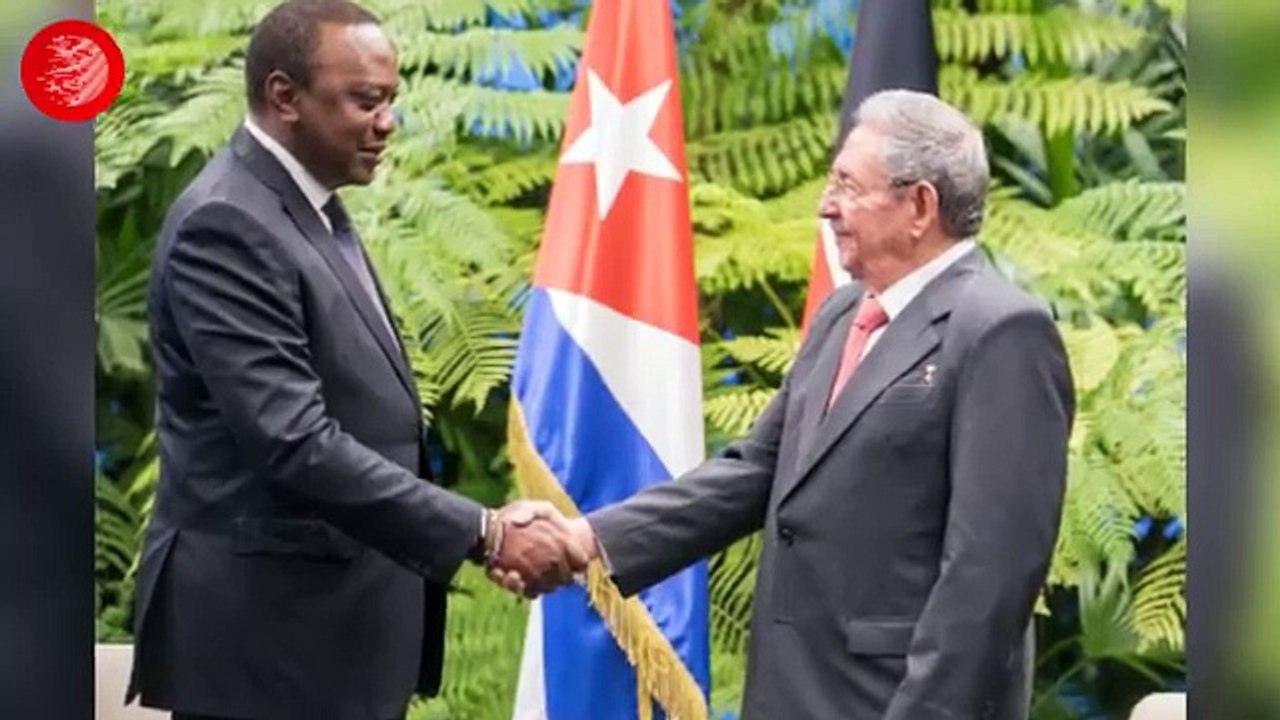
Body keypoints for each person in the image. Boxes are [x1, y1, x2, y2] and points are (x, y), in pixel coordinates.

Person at [503, 89, 1076, 719]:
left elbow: (990, 575)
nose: (827, 208)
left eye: (848, 187)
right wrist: (588, 537)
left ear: (920, 205)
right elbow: (757, 470)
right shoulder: (842, 314)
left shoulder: (1000, 332)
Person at [125, 2, 585, 719]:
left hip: (331, 645)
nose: (387, 121)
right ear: (285, 97)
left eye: (391, 99)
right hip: (268, 652)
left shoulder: (309, 204)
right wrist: (484, 531)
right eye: (365, 100)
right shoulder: (228, 224)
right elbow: (295, 441)